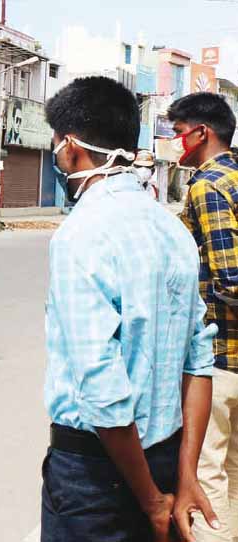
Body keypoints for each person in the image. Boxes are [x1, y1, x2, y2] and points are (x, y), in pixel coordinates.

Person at [42, 77, 218, 542]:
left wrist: (151, 501)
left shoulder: (79, 235)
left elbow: (102, 389)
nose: (58, 156)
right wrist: (184, 477)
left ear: (73, 148)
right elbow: (198, 360)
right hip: (165, 460)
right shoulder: (171, 229)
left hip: (96, 475)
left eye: (57, 145)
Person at [171, 92, 238, 541]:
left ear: (201, 133)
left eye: (178, 133)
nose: (176, 142)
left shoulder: (207, 185)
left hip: (219, 356)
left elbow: (231, 279)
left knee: (208, 473)